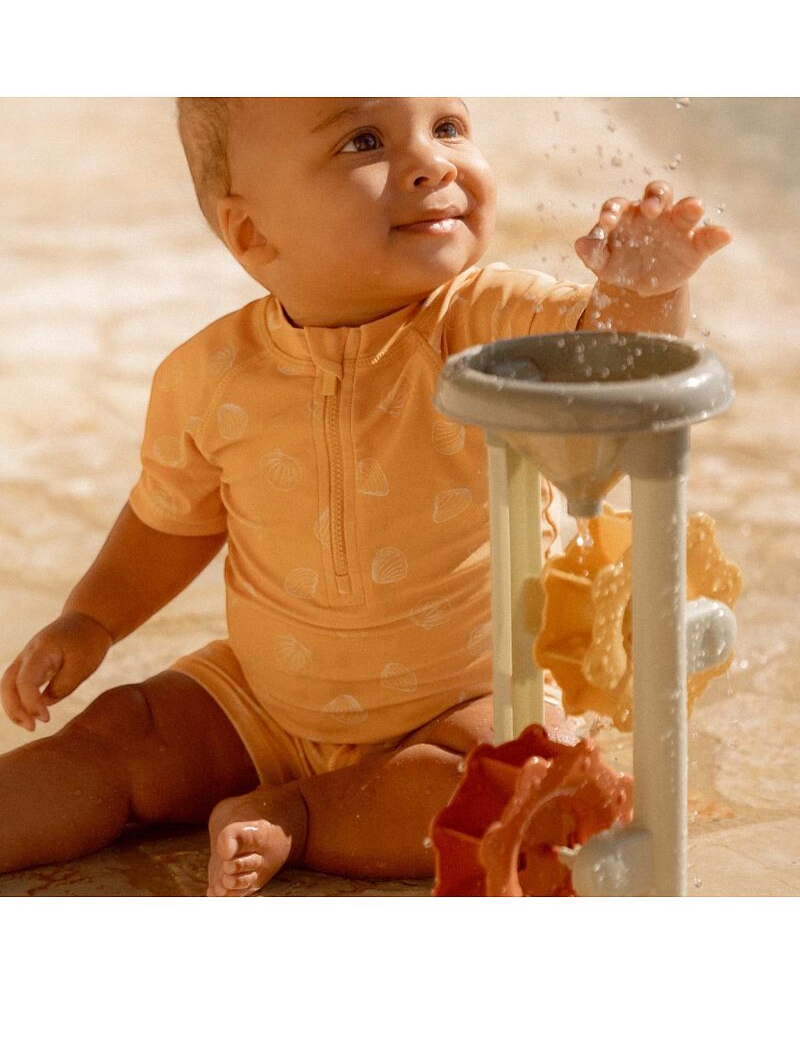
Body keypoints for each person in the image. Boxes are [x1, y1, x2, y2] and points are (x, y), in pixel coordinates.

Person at [0, 98, 731, 895]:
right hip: (262, 702)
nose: (433, 162)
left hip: (463, 704)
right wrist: (93, 617)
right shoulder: (210, 376)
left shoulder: (491, 323)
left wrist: (642, 292)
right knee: (119, 734)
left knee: (528, 798)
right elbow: (170, 521)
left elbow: (612, 383)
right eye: (365, 141)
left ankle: (298, 815)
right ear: (252, 233)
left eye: (448, 127)